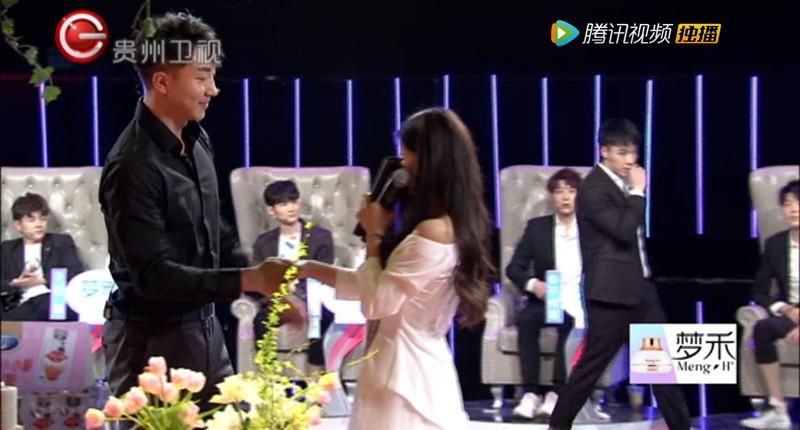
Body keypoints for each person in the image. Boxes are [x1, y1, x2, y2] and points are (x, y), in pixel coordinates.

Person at [99, 12, 284, 409]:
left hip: (205, 330)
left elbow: (213, 229)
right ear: (162, 82)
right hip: (149, 343)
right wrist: (249, 277)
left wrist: (262, 286)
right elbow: (153, 277)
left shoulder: (198, 140)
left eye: (213, 76)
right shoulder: (132, 164)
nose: (213, 89)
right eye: (201, 78)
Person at [296, 107, 493, 430]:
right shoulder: (450, 225)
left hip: (403, 374)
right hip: (402, 365)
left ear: (428, 159)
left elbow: (377, 303)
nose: (402, 165)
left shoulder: (433, 232)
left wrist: (375, 235)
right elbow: (371, 285)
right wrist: (306, 268)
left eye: (406, 154)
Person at [549, 119, 691, 430]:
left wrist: (634, 192)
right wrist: (638, 193)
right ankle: (558, 425)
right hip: (609, 295)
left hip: (640, 290)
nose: (630, 160)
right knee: (590, 369)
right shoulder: (593, 189)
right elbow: (624, 231)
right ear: (604, 151)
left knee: (660, 368)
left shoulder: (620, 185)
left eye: (634, 153)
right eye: (623, 153)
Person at [506, 168, 583, 419]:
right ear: (551, 196)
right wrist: (534, 285)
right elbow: (514, 268)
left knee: (570, 323)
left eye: (571, 191)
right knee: (527, 319)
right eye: (559, 191)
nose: (565, 197)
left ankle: (556, 392)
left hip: (579, 300)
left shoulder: (590, 229)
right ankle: (530, 393)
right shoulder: (537, 228)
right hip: (548, 297)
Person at [251, 180, 335, 371]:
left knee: (321, 316)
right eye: (283, 204)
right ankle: (268, 375)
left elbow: (324, 274)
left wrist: (301, 299)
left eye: (294, 201)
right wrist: (282, 299)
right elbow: (259, 280)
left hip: (311, 299)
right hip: (278, 300)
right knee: (261, 320)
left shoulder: (320, 236)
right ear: (271, 210)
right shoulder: (263, 243)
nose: (291, 208)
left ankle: (316, 373)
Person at [741, 179, 799, 429]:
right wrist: (784, 309)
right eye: (788, 204)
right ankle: (778, 408)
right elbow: (760, 291)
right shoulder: (775, 244)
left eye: (799, 203)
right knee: (763, 329)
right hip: (791, 314)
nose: (794, 209)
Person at [1, 193, 82, 321]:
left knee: (45, 303)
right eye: (31, 220)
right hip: (18, 302)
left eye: (43, 219)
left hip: (52, 300)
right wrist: (15, 283)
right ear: (18, 225)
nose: (39, 224)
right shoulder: (8, 248)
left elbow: (76, 274)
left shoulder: (61, 242)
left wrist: (42, 281)